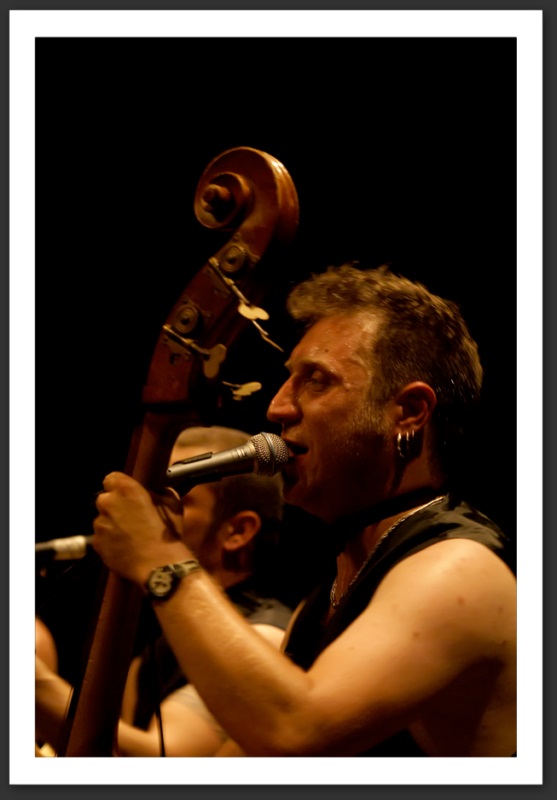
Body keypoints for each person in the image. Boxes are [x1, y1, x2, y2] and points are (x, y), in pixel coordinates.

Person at [91, 263, 517, 757]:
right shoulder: (329, 595)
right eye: (287, 379)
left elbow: (295, 731)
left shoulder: (458, 568)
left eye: (316, 380)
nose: (277, 407)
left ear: (409, 412)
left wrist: (161, 560)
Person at [36, 426, 292, 757]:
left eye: (172, 497)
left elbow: (168, 765)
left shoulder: (264, 638)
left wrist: (33, 683)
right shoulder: (149, 659)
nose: (142, 512)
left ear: (238, 531)